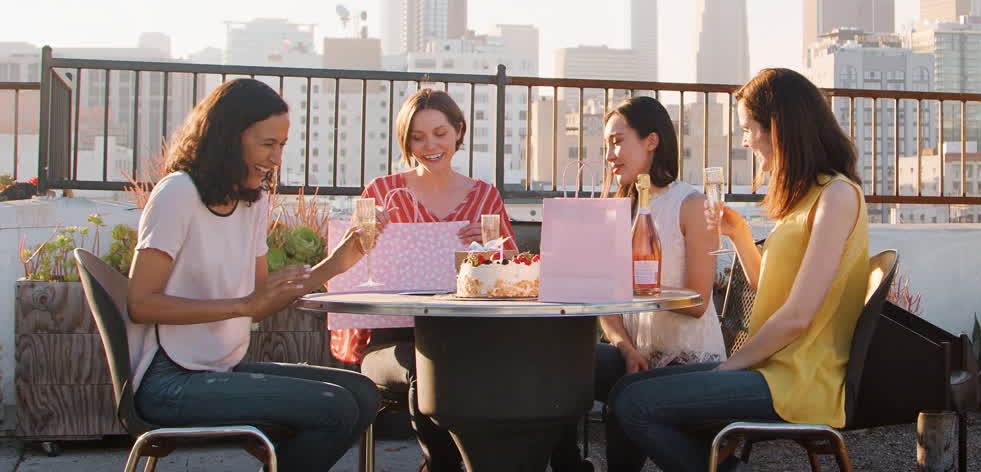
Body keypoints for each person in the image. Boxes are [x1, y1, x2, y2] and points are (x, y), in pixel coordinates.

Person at [610, 68, 870, 472]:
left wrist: (732, 364)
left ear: (779, 129)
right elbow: (768, 290)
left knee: (635, 404)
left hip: (797, 380)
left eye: (749, 129)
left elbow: (798, 316)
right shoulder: (805, 199)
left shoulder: (836, 196)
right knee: (627, 387)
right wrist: (738, 233)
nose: (745, 140)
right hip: (771, 369)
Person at [128, 78, 383, 472]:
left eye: (281, 145)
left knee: (364, 394)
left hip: (218, 366)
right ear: (229, 138)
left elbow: (259, 303)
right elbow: (141, 303)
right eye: (268, 144)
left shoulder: (252, 202)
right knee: (333, 408)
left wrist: (334, 264)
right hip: (169, 381)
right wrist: (244, 304)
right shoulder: (177, 194)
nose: (277, 158)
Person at [330, 88, 517, 472]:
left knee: (486, 364)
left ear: (459, 132)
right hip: (393, 340)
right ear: (406, 141)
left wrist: (492, 251)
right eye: (417, 137)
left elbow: (513, 274)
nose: (430, 145)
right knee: (429, 367)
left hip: (468, 334)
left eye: (440, 133)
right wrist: (368, 238)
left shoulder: (485, 197)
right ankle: (441, 465)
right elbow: (347, 271)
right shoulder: (382, 193)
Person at [551, 96, 724, 472]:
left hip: (689, 358)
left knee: (627, 391)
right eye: (606, 146)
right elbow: (608, 305)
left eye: (617, 141)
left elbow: (697, 303)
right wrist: (624, 346)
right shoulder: (618, 207)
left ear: (651, 141)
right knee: (558, 364)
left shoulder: (691, 204)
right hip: (638, 351)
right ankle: (568, 466)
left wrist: (631, 288)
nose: (610, 155)